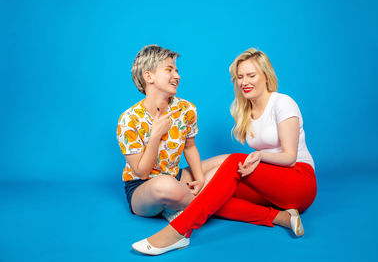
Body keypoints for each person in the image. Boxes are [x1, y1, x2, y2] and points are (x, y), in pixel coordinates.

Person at [131, 48, 317, 255]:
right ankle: (282, 217)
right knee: (212, 193)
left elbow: (290, 158)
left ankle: (179, 232)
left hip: (299, 181)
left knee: (234, 162)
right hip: (272, 185)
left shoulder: (282, 103)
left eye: (251, 75)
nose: (244, 81)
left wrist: (260, 156)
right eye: (240, 77)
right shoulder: (247, 111)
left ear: (266, 76)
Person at [116, 45, 227, 221]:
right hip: (143, 188)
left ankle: (182, 203)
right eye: (169, 70)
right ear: (148, 76)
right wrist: (155, 135)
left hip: (177, 177)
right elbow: (142, 173)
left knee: (230, 162)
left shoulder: (186, 109)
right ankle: (211, 202)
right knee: (165, 185)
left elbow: (190, 148)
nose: (177, 76)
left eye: (176, 70)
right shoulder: (128, 120)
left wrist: (200, 180)